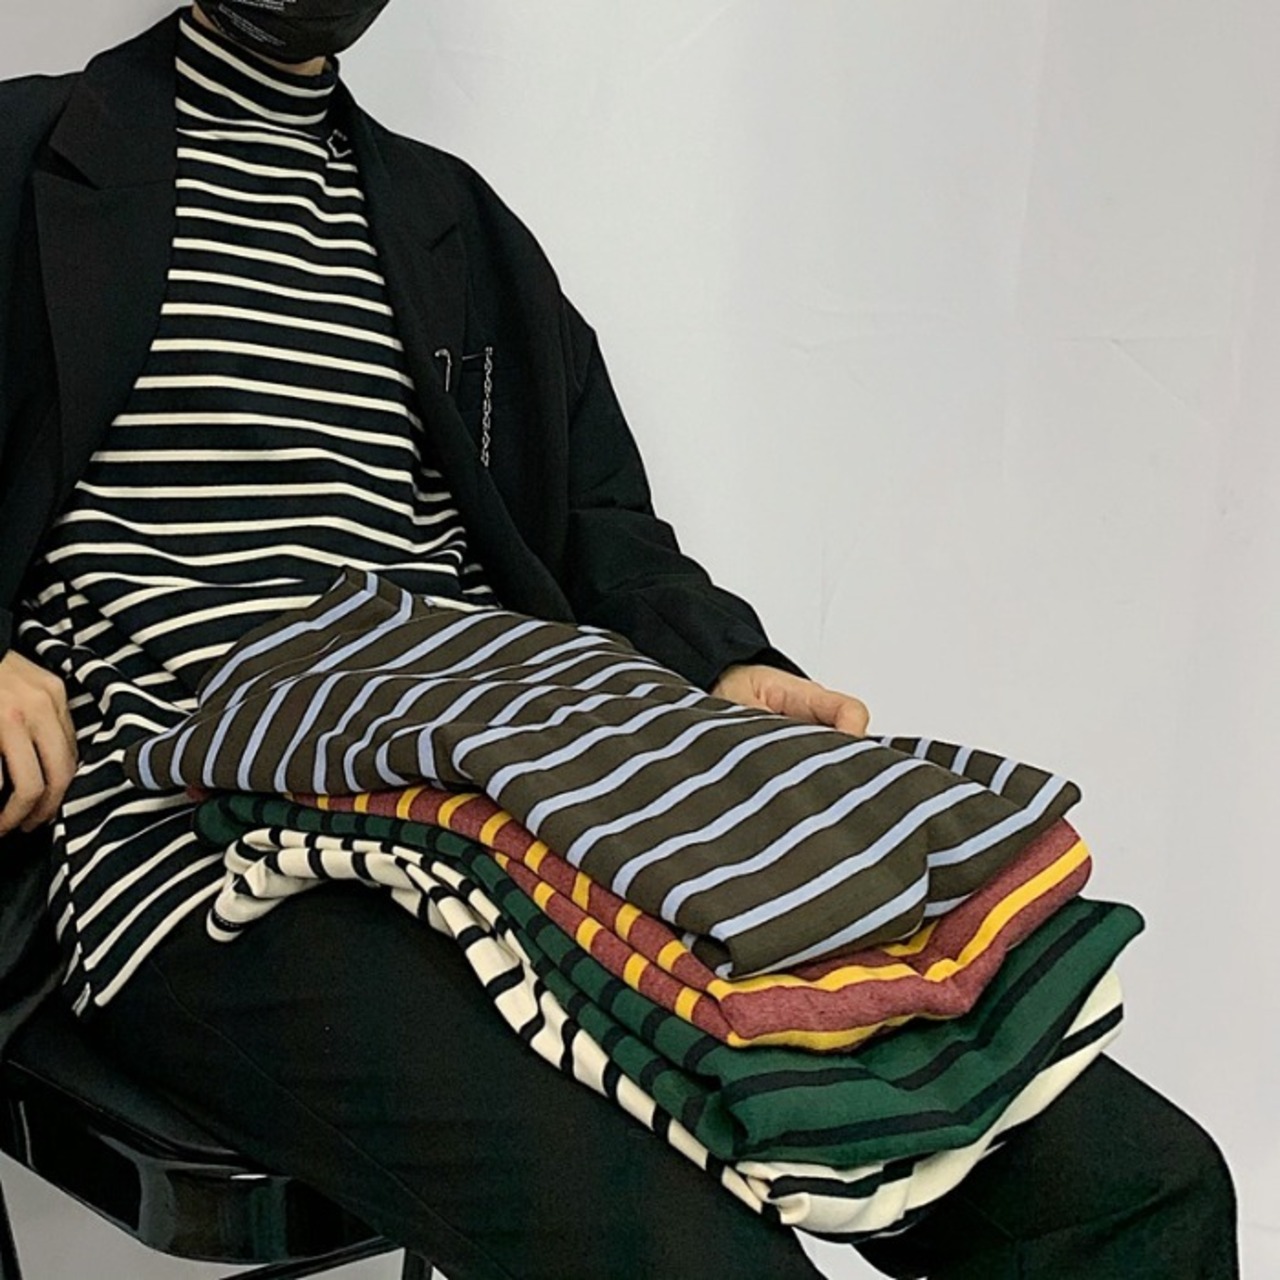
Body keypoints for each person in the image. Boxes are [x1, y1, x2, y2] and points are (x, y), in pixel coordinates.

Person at [0, 3, 1238, 1276]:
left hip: (524, 756)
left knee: (1138, 1189)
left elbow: (599, 520)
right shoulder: (22, 152)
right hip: (203, 811)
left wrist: (718, 657)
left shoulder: (452, 222)